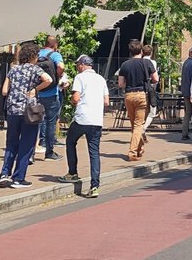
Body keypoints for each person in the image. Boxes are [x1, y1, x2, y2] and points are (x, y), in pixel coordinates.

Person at [0, 42, 52, 189]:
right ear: (33, 56)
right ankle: (19, 178)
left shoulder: (13, 70)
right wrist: (35, 90)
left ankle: (5, 173)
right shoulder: (35, 69)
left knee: (11, 143)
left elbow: (4, 91)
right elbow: (49, 80)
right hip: (29, 110)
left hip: (13, 110)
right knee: (26, 144)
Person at [61, 54, 108, 197]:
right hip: (96, 120)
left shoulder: (80, 78)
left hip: (82, 118)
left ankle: (73, 172)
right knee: (94, 152)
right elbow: (106, 102)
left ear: (82, 64)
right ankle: (95, 186)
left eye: (77, 65)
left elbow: (75, 98)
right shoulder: (101, 79)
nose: (77, 67)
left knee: (70, 141)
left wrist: (71, 100)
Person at [117, 40, 152, 161]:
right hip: (141, 94)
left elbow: (120, 84)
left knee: (134, 125)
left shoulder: (125, 65)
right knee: (138, 125)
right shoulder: (146, 63)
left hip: (129, 95)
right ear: (141, 50)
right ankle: (132, 152)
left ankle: (140, 149)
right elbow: (156, 78)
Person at [33, 35, 65, 161]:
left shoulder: (37, 54)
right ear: (55, 45)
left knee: (35, 122)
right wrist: (57, 77)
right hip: (51, 93)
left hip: (37, 92)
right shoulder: (55, 55)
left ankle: (31, 153)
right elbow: (61, 67)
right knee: (51, 122)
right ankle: (49, 152)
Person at [140, 42, 161, 138]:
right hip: (150, 88)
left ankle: (139, 129)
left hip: (140, 88)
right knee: (152, 111)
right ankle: (143, 129)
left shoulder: (138, 61)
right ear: (151, 53)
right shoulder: (153, 62)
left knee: (142, 111)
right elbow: (155, 78)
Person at [179, 46, 192, 140]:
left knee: (188, 113)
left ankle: (184, 133)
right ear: (190, 53)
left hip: (186, 91)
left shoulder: (186, 63)